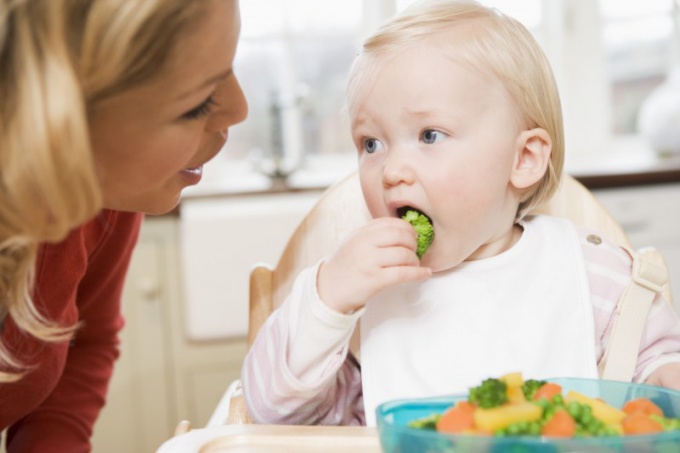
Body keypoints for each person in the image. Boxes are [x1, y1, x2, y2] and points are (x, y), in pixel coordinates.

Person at [241, 0, 680, 427]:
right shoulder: (360, 300)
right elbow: (274, 415)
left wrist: (664, 381)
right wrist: (327, 301)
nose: (391, 170)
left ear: (524, 158)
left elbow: (652, 369)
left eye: (429, 135)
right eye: (370, 143)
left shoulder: (593, 275)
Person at [0, 0, 247, 451]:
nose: (240, 109)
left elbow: (84, 344)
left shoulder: (105, 196)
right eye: (197, 104)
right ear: (60, 123)